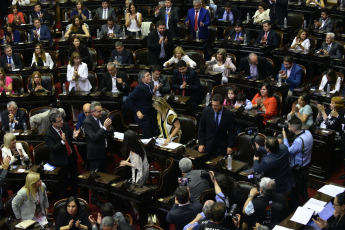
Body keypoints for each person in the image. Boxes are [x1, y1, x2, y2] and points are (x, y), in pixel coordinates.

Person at [45, 112, 80, 195]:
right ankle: (65, 197)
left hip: (71, 156)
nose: (62, 122)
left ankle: (75, 194)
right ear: (53, 123)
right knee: (64, 181)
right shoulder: (48, 134)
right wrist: (62, 142)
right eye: (59, 121)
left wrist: (74, 136)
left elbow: (70, 137)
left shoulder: (65, 125)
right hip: (60, 160)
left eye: (62, 120)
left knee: (75, 177)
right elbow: (53, 148)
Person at [283, 117, 313, 206]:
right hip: (307, 165)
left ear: (293, 128)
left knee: (295, 192)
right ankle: (307, 204)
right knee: (304, 188)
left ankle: (295, 209)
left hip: (298, 169)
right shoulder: (308, 132)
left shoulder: (298, 141)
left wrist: (285, 137)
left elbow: (288, 151)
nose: (288, 128)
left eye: (288, 127)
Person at [83, 101, 112, 171]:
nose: (101, 112)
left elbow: (110, 129)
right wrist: (104, 127)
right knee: (96, 176)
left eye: (101, 110)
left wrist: (108, 128)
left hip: (104, 151)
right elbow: (94, 137)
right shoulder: (87, 122)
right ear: (92, 112)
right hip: (95, 154)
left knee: (105, 173)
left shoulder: (103, 115)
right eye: (99, 111)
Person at [127, 71, 156, 138]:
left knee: (153, 134)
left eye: (149, 75)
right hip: (143, 116)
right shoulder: (139, 88)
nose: (150, 76)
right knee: (148, 138)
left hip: (149, 114)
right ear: (143, 79)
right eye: (148, 76)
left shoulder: (148, 85)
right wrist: (137, 111)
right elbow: (129, 99)